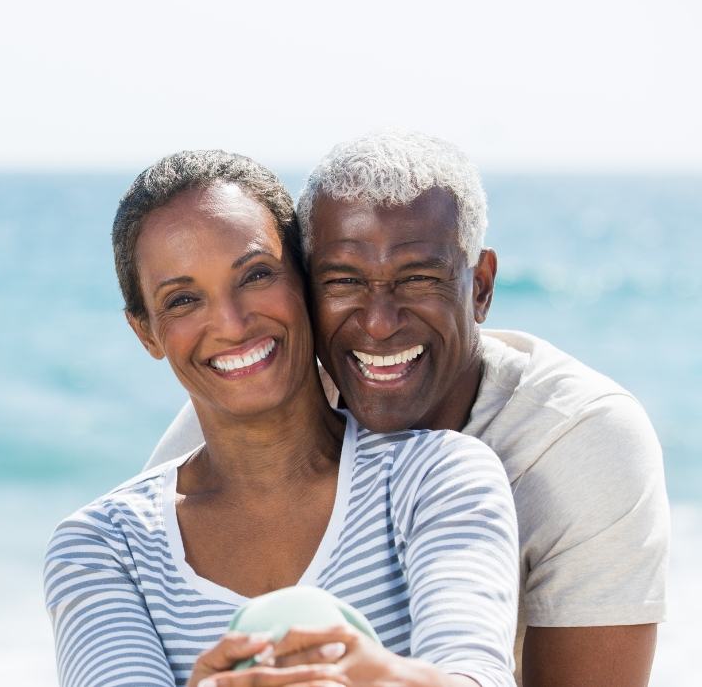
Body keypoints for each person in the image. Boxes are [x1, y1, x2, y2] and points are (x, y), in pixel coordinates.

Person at [145, 132, 669, 687]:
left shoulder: (578, 440)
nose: (378, 322)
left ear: (481, 287)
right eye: (343, 280)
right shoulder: (241, 425)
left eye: (418, 279)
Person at [44, 150, 520, 687]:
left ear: (307, 282)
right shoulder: (105, 546)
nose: (232, 323)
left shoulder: (436, 477)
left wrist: (380, 680)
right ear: (146, 332)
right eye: (182, 300)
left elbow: (473, 674)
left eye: (256, 275)